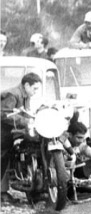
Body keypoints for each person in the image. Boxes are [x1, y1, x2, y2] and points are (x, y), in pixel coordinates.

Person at [1, 73, 42, 203]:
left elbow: (25, 112)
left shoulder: (25, 95)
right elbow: (4, 115)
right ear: (26, 85)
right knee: (4, 157)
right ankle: (2, 192)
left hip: (13, 131)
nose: (35, 92)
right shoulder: (12, 94)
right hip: (3, 133)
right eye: (34, 89)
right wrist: (25, 122)